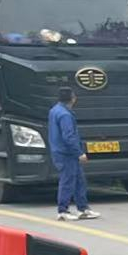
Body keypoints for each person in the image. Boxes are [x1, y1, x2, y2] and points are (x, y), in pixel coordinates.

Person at [47, 89, 100, 222]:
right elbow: (69, 136)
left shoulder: (55, 110)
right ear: (72, 99)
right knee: (68, 181)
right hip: (67, 153)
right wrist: (79, 153)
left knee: (79, 181)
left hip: (60, 150)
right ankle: (62, 211)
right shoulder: (65, 115)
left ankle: (83, 209)